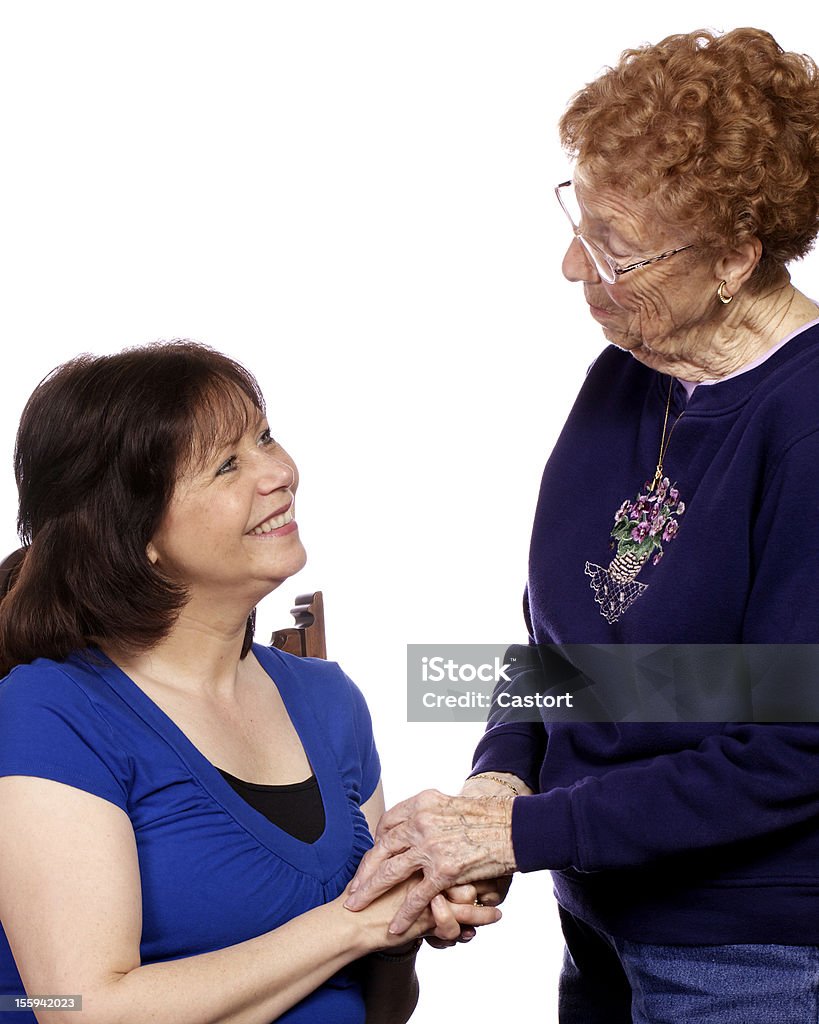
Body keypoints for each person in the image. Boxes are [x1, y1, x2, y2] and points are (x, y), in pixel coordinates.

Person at [345, 26, 819, 1023]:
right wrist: (500, 785)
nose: (572, 265)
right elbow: (563, 651)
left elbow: (793, 750)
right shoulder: (627, 372)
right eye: (579, 220)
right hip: (600, 920)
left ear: (735, 256)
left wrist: (525, 835)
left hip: (756, 951)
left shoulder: (805, 424)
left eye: (612, 247)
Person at [0, 341, 499, 1024]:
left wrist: (407, 911)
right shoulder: (50, 712)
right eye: (228, 464)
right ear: (134, 533)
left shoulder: (329, 702)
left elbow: (375, 1009)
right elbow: (78, 1008)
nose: (279, 473)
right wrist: (354, 925)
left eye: (264, 436)